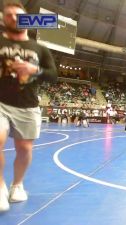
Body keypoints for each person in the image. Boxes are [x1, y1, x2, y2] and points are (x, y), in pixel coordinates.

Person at [0, 3, 57, 211]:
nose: (14, 18)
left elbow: (53, 76)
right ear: (4, 19)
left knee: (24, 149)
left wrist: (35, 70)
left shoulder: (40, 48)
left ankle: (17, 185)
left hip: (28, 105)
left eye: (19, 15)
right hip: (1, 102)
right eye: (9, 15)